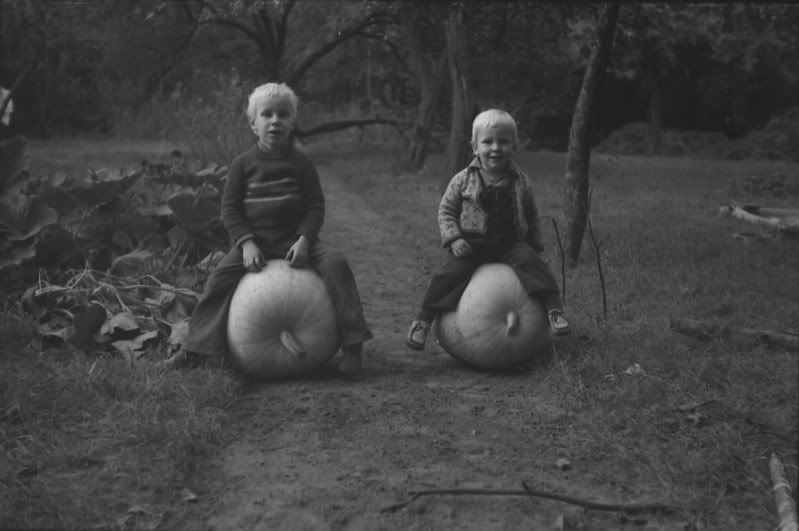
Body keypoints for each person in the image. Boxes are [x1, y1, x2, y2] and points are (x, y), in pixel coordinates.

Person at [164, 82, 373, 373]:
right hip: (256, 242)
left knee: (337, 264)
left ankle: (353, 345)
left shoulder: (301, 165)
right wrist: (246, 243)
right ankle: (197, 349)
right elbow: (231, 209)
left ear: (292, 123)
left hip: (295, 240)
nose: (275, 120)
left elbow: (315, 207)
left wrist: (304, 239)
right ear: (253, 124)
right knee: (219, 279)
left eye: (283, 115)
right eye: (267, 114)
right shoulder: (242, 165)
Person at [406, 109, 571, 350]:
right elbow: (446, 211)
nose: (496, 147)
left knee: (534, 265)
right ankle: (423, 320)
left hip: (509, 244)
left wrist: (534, 245)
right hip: (472, 245)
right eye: (488, 142)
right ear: (475, 146)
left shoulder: (521, 181)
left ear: (513, 145)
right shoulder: (463, 180)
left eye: (503, 141)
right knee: (448, 276)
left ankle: (554, 310)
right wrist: (454, 239)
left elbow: (532, 215)